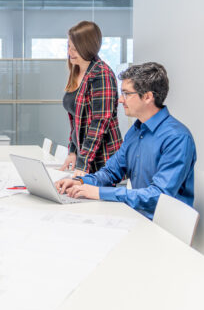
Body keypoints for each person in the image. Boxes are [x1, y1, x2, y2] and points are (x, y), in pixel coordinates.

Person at [55, 62, 196, 219]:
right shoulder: (135, 131)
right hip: (137, 215)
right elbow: (110, 172)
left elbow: (158, 196)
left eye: (127, 94)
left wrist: (99, 192)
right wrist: (81, 182)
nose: (121, 100)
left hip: (164, 225)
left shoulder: (177, 138)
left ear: (148, 97)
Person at [59, 21, 122, 175]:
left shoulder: (101, 74)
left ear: (87, 47)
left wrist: (83, 162)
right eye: (68, 47)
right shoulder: (77, 71)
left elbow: (99, 123)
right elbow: (76, 120)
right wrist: (73, 152)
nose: (70, 52)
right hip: (84, 155)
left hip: (101, 161)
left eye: (75, 49)